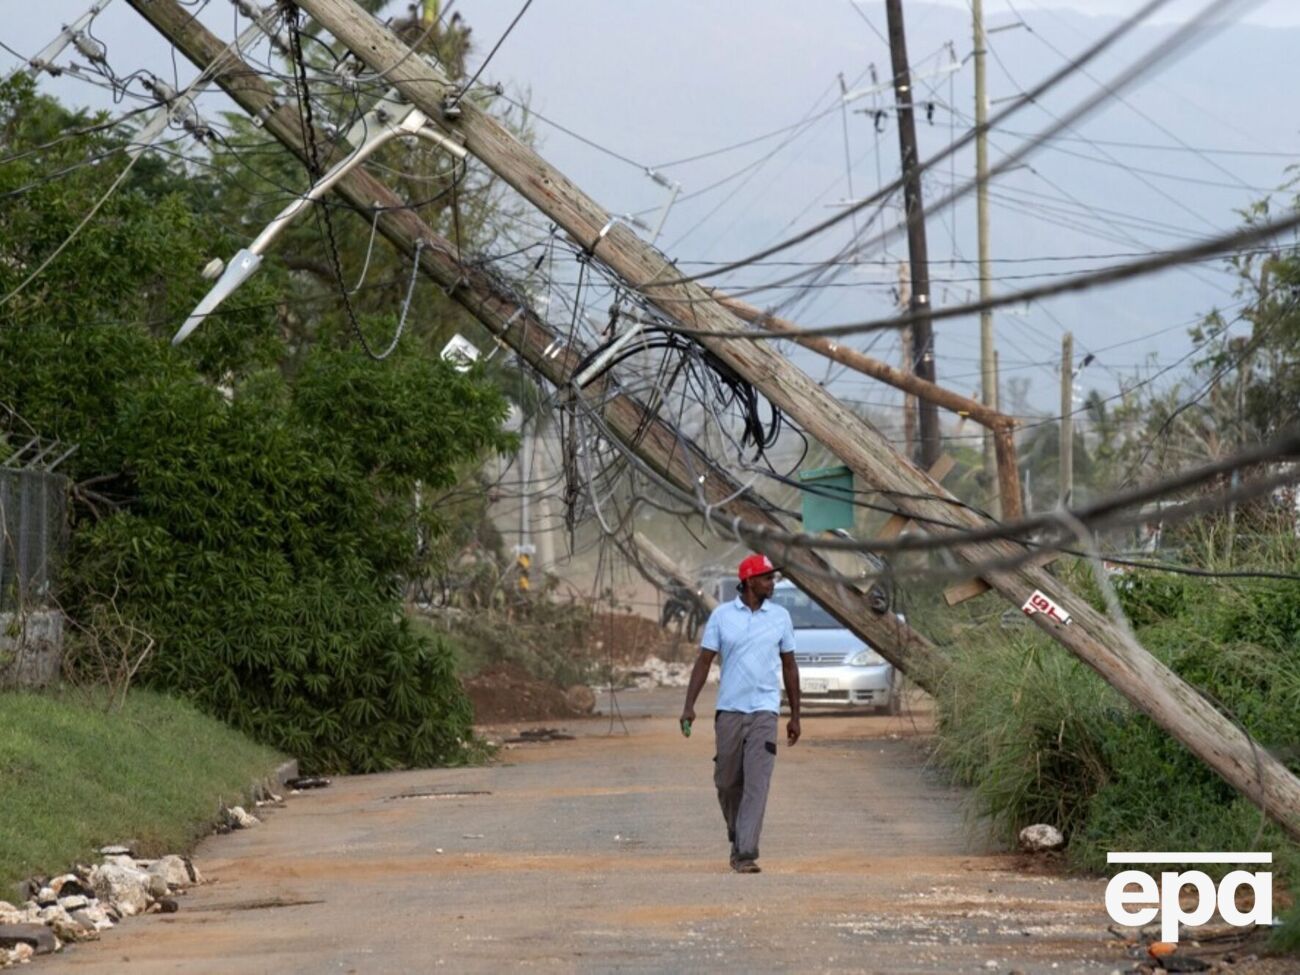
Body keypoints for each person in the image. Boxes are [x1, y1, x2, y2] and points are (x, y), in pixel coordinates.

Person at [680, 553, 801, 874]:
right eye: (765, 578)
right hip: (729, 711)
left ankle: (746, 851)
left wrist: (795, 715)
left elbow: (789, 665)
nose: (771, 583)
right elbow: (704, 661)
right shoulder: (721, 616)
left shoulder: (781, 617)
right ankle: (737, 831)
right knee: (727, 781)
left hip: (765, 711)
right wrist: (689, 706)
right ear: (748, 582)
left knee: (757, 783)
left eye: (772, 578)